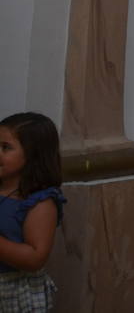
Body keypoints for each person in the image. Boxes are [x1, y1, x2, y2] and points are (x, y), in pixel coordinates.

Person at [0, 112, 64, 312]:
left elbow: (34, 258)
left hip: (12, 291)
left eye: (5, 148)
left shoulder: (39, 202)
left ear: (33, 154)